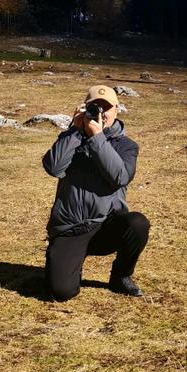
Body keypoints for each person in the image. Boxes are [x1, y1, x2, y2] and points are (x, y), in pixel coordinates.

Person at [41, 84, 150, 301]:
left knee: (138, 224)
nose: (101, 113)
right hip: (71, 227)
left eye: (106, 108)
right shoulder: (71, 138)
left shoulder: (126, 146)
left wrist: (97, 137)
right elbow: (53, 167)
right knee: (62, 292)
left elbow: (120, 177)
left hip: (106, 225)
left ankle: (121, 276)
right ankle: (65, 260)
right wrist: (74, 129)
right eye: (94, 107)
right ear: (85, 109)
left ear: (116, 110)